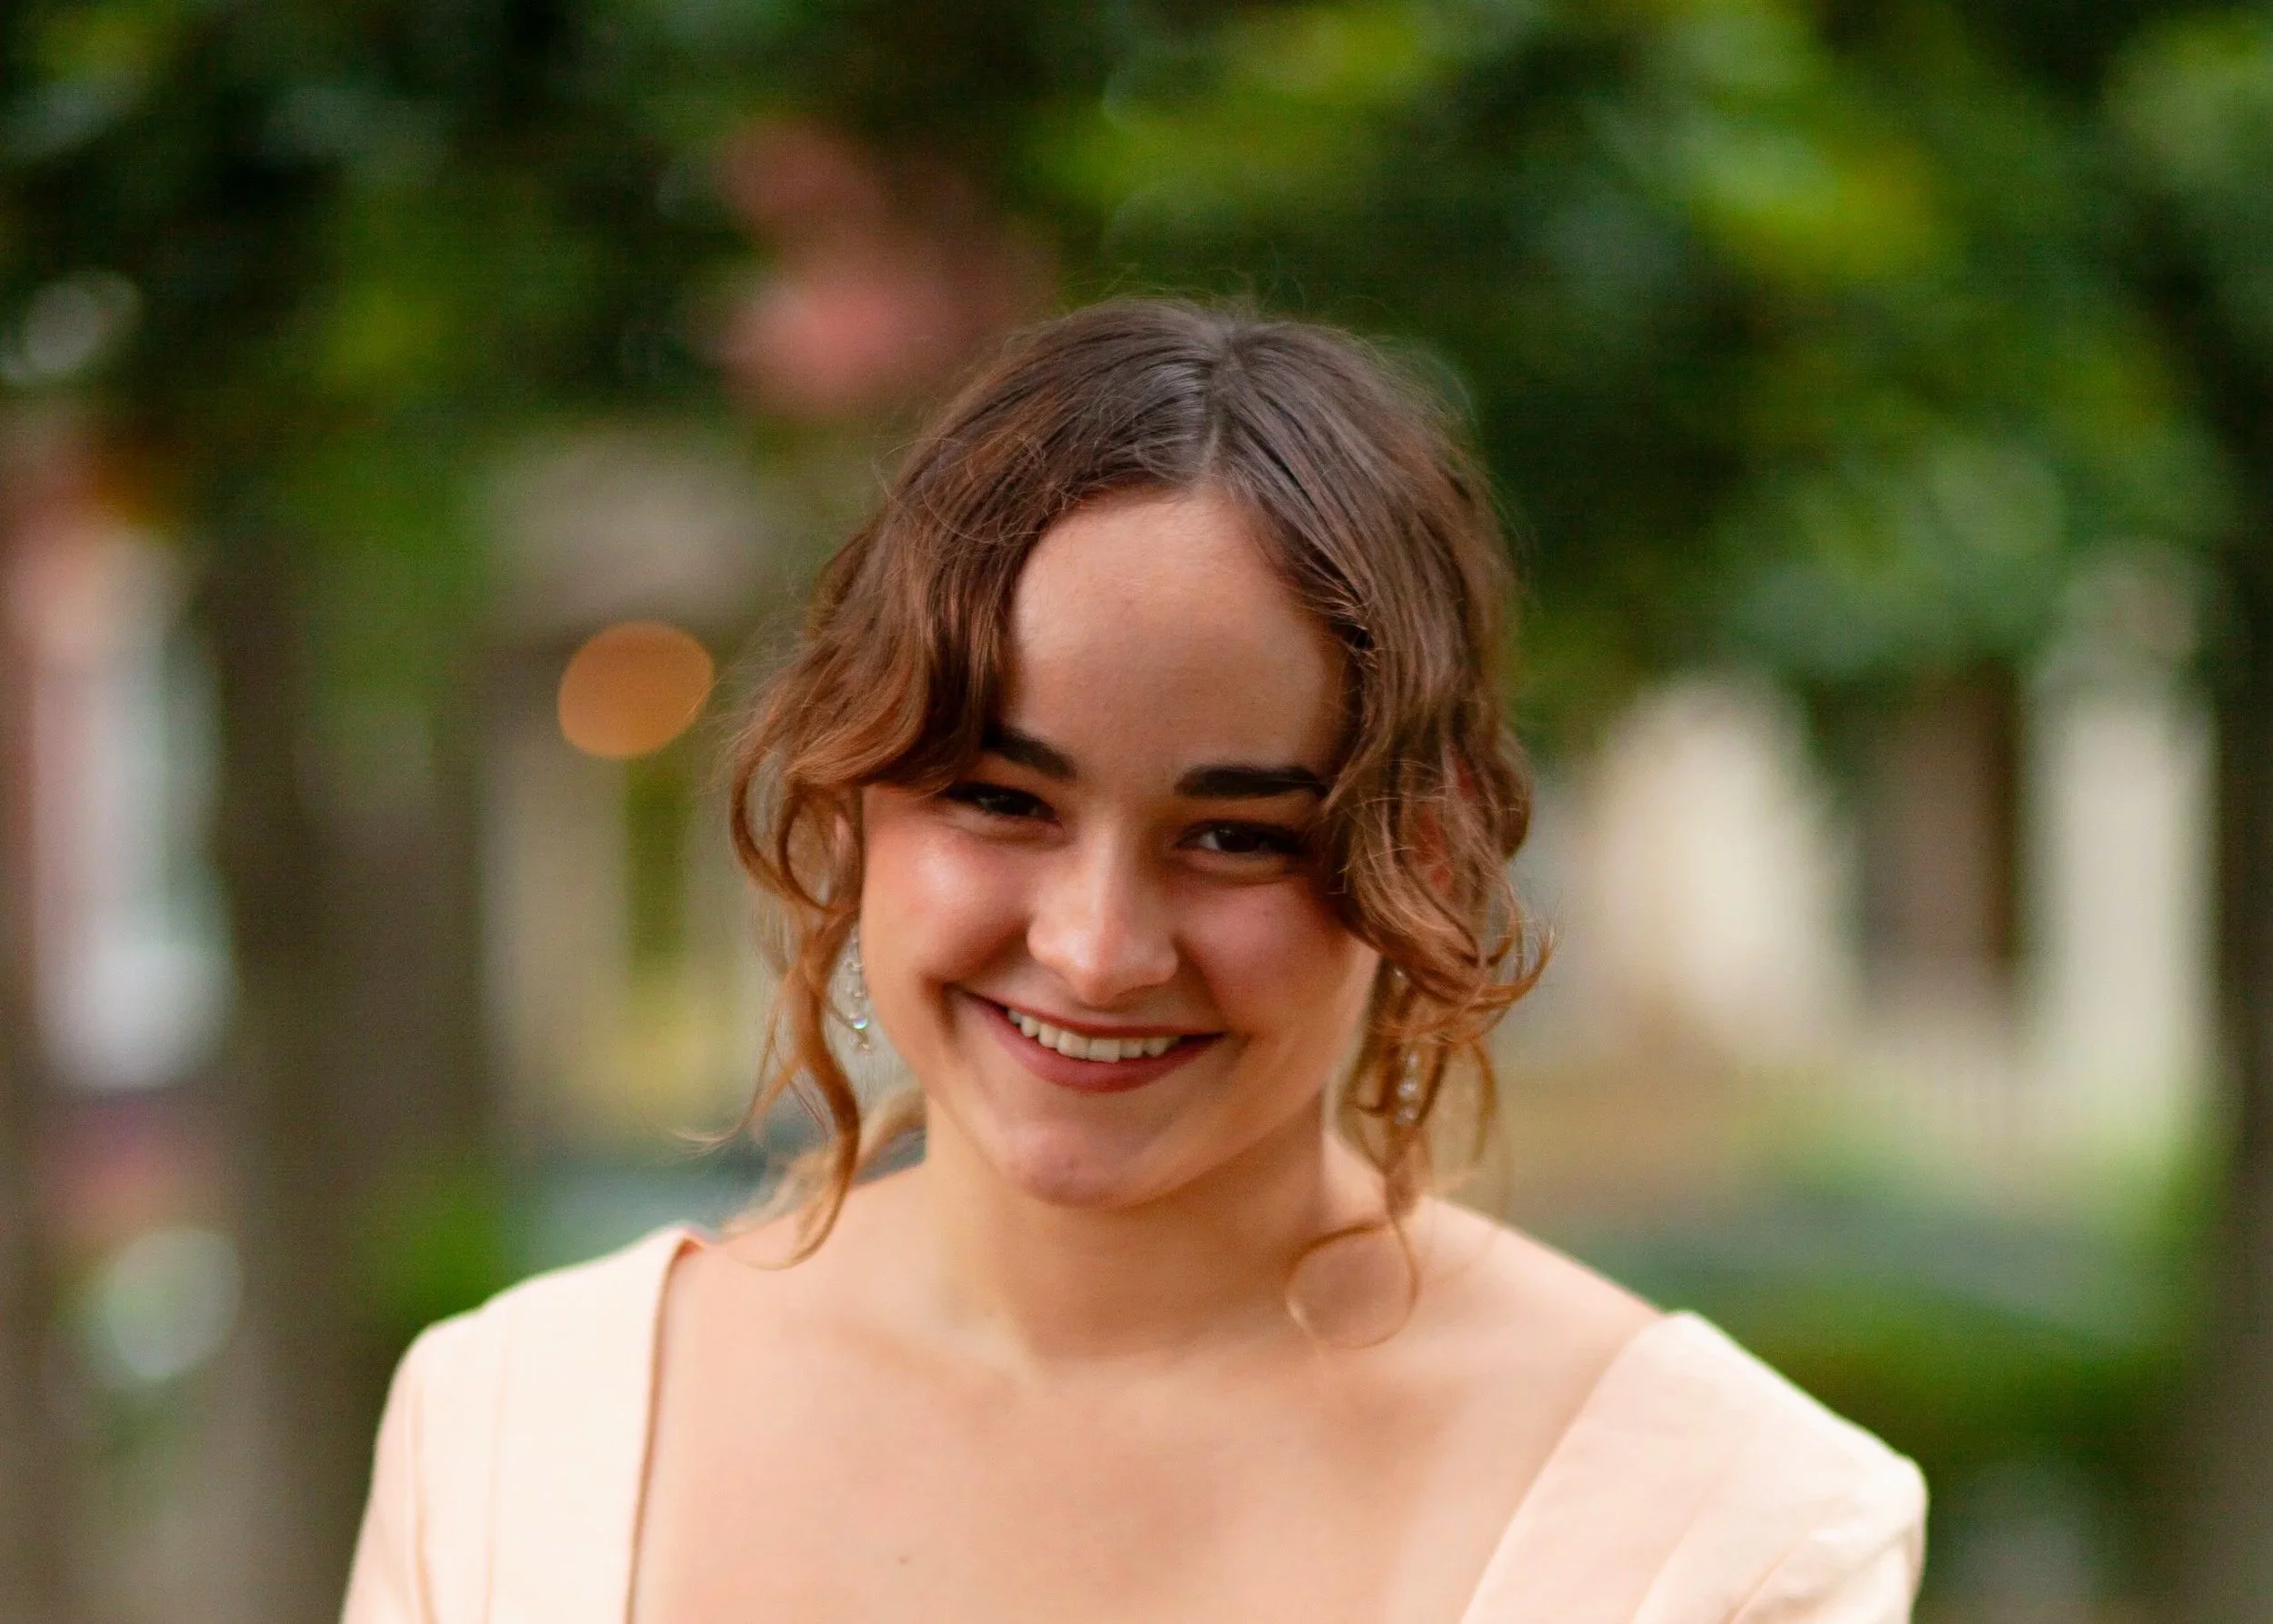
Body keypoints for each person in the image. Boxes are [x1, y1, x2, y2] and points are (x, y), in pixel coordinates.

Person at [341, 300, 1925, 1623]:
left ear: (1419, 860)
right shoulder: (517, 1436)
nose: (1096, 949)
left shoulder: (1723, 1525)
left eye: (1236, 836)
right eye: (1002, 800)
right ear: (852, 797)